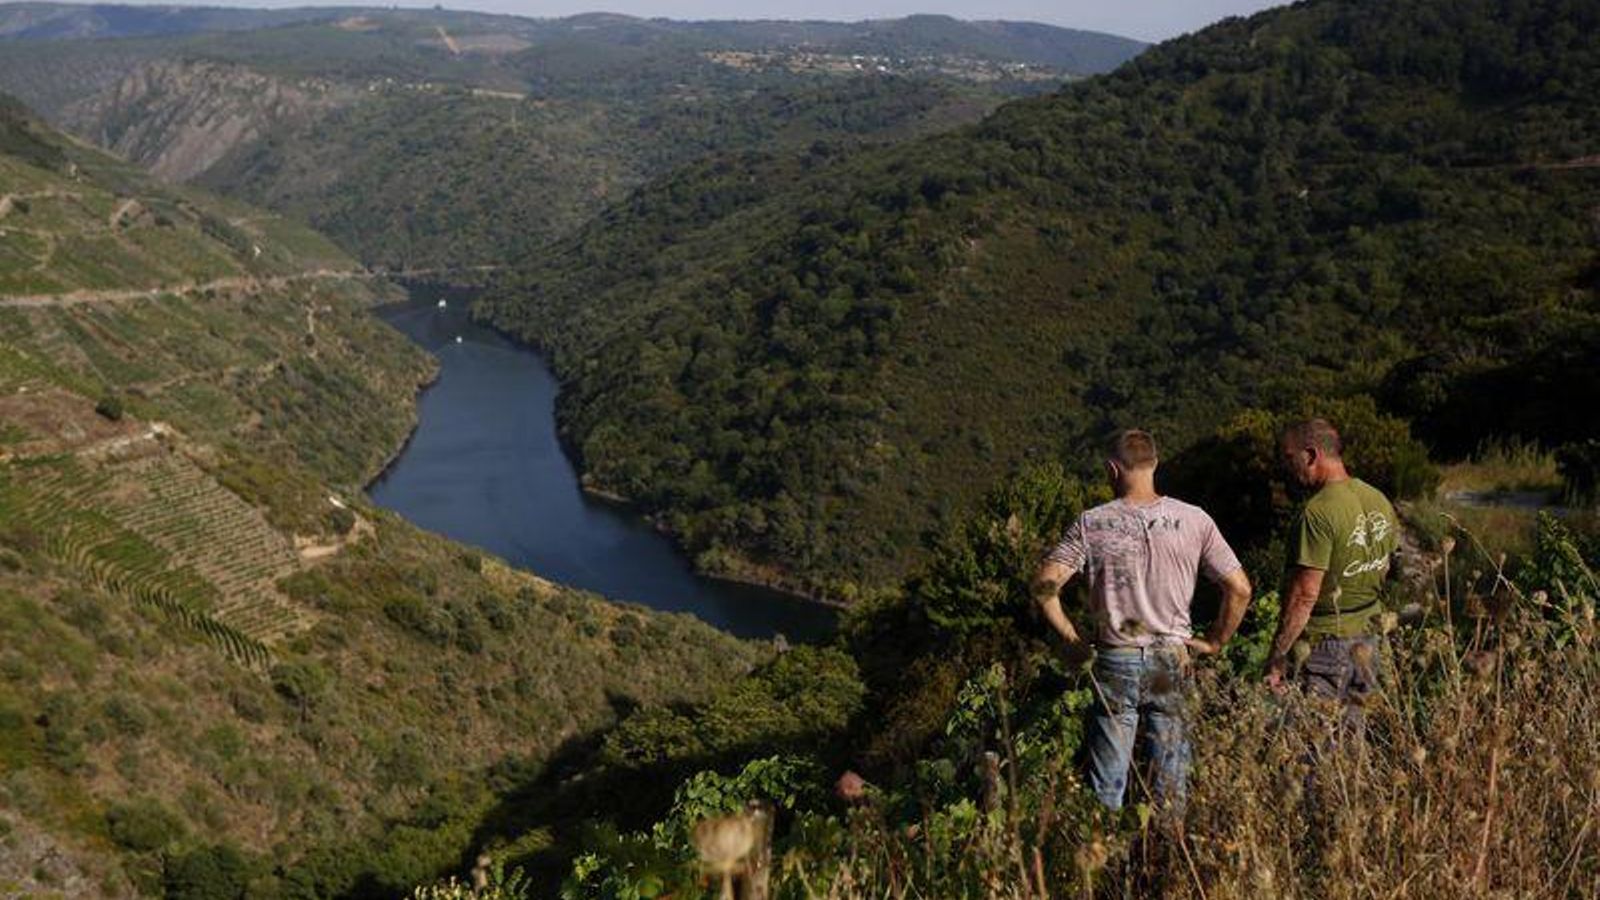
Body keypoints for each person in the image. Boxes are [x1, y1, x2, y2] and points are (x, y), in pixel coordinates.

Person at [1031, 429, 1252, 814]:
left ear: (1112, 470)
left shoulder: (1092, 523)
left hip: (1115, 659)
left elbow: (1043, 586)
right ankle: (1169, 848)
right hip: (1172, 657)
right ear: (1155, 464)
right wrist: (1215, 641)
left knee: (1108, 784)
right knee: (1171, 782)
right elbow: (1240, 589)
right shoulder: (1194, 520)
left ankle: (1103, 849)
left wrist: (1073, 638)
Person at [1264, 418, 1399, 733]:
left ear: (1311, 455)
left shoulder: (1317, 513)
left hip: (1324, 645)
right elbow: (1386, 567)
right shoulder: (1378, 499)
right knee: (1353, 741)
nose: (1287, 467)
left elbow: (1305, 595)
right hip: (1370, 637)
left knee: (1318, 745)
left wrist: (1278, 656)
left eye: (1290, 458)